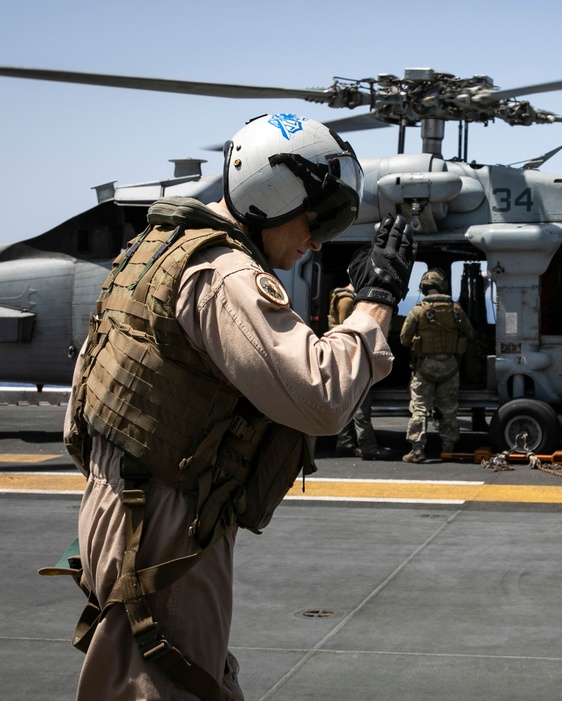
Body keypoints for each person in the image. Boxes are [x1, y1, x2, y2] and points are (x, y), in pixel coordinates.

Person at [60, 113, 414, 701]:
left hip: (126, 498)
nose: (320, 242)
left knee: (152, 673)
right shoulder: (225, 273)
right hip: (163, 516)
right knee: (167, 684)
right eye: (320, 218)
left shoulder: (158, 248)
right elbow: (321, 398)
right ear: (269, 198)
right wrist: (375, 304)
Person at [399, 269, 476, 463]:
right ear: (442, 286)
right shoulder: (456, 310)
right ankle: (448, 447)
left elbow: (404, 339)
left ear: (423, 288)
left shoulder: (418, 310)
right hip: (450, 367)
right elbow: (471, 334)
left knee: (420, 409)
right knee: (449, 409)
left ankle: (417, 451)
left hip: (424, 367)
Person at [328, 283, 392, 460]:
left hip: (346, 358)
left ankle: (345, 444)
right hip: (349, 358)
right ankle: (368, 446)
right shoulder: (347, 300)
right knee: (360, 404)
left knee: (348, 402)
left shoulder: (343, 297)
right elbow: (348, 331)